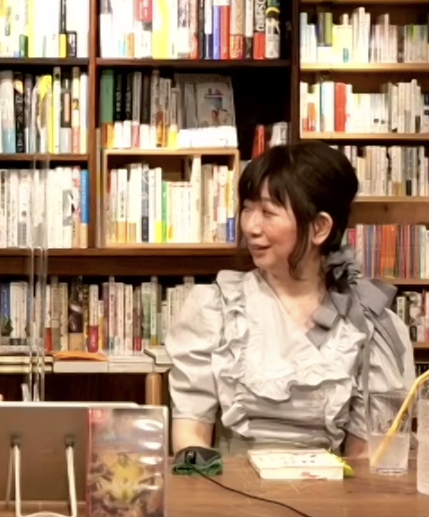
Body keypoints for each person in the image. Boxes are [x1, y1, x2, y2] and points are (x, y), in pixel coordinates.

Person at [166, 142, 415, 457]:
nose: (250, 227)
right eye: (247, 208)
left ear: (320, 228)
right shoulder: (216, 307)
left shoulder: (370, 323)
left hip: (331, 487)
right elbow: (190, 435)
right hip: (232, 485)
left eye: (268, 212)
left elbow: (368, 457)